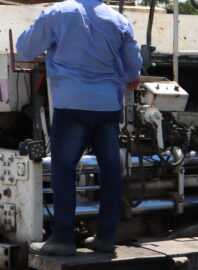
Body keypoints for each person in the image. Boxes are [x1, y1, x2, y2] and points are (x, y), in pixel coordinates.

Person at [17, 0, 142, 255]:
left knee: (64, 169)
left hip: (71, 103)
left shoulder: (57, 12)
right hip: (107, 106)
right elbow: (133, 72)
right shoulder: (118, 20)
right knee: (110, 171)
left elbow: (25, 50)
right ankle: (106, 238)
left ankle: (62, 238)